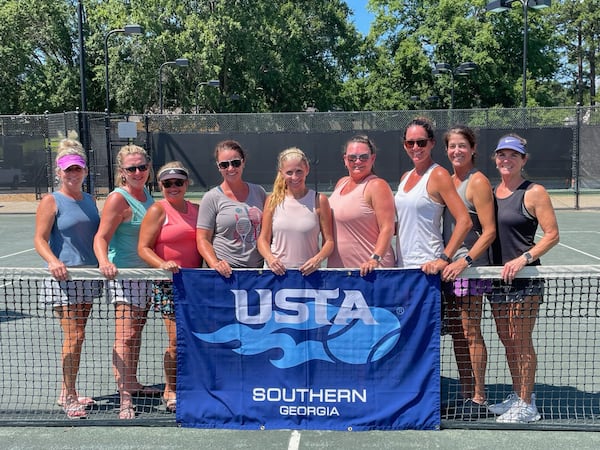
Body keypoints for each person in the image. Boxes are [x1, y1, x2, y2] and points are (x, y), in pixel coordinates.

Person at [487, 134, 559, 423]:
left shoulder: (534, 192)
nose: (506, 160)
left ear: (523, 160)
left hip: (525, 279)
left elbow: (552, 235)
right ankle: (519, 395)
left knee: (521, 339)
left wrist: (523, 259)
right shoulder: (491, 193)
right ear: (495, 159)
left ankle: (528, 404)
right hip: (496, 279)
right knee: (507, 339)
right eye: (502, 155)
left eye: (513, 155)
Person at [33, 137, 100, 419]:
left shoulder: (90, 200)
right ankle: (70, 396)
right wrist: (54, 262)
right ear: (58, 172)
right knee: (75, 336)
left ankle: (66, 390)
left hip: (88, 277)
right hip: (63, 279)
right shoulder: (51, 200)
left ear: (85, 171)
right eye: (68, 169)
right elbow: (39, 239)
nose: (73, 174)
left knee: (78, 337)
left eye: (78, 168)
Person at [93, 144, 159, 420]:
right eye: (131, 168)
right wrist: (104, 263)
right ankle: (125, 397)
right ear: (122, 172)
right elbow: (101, 238)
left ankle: (131, 381)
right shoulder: (117, 199)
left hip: (146, 276)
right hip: (123, 276)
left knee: (137, 332)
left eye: (142, 167)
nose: (138, 172)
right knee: (124, 335)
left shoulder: (148, 196)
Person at [440, 126, 496, 421]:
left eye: (462, 146)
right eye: (452, 146)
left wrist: (466, 261)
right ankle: (465, 394)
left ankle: (479, 397)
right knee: (457, 336)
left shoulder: (478, 182)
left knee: (470, 332)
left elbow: (489, 231)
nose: (457, 151)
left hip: (470, 270)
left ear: (473, 149)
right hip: (448, 271)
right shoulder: (447, 181)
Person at [138, 162, 201, 414]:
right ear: (160, 186)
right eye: (167, 183)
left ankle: (193, 385)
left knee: (197, 339)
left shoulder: (197, 209)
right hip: (168, 284)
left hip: (197, 284)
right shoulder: (157, 210)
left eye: (178, 182)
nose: (173, 187)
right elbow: (143, 248)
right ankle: (171, 389)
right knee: (176, 340)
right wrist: (163, 263)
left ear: (186, 184)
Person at [394, 117, 472, 273]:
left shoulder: (439, 175)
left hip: (427, 267)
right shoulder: (405, 177)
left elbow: (465, 221)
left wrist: (444, 259)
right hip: (402, 266)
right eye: (410, 143)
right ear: (405, 145)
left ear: (432, 143)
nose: (415, 147)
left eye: (421, 142)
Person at [257, 147, 334, 275]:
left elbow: (329, 241)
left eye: (299, 171)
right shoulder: (272, 200)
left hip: (309, 275)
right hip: (276, 276)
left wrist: (317, 260)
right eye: (289, 172)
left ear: (307, 170)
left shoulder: (319, 200)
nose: (295, 177)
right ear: (281, 173)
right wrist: (270, 259)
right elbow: (263, 239)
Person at [327, 135, 395, 276]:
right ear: (345, 159)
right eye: (352, 158)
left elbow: (387, 228)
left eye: (363, 157)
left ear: (372, 159)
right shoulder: (341, 183)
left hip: (370, 273)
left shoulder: (377, 185)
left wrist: (375, 259)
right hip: (341, 272)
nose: (357, 161)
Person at [196, 140, 266, 277]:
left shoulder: (259, 192)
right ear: (218, 167)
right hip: (226, 274)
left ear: (243, 162)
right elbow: (202, 239)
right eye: (224, 165)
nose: (230, 169)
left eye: (235, 163)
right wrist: (215, 263)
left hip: (257, 273)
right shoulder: (211, 197)